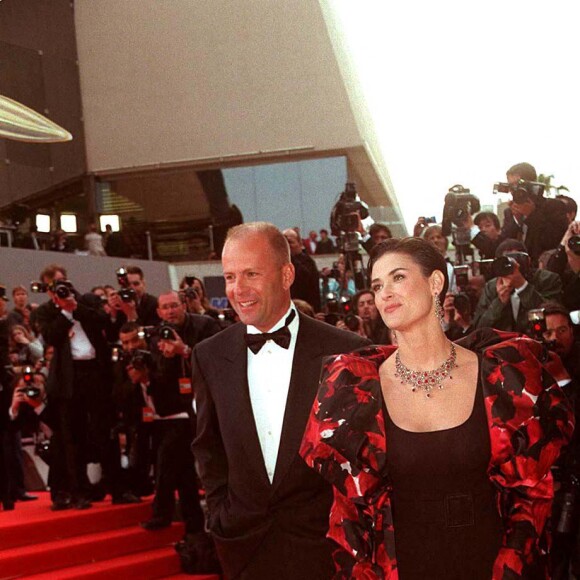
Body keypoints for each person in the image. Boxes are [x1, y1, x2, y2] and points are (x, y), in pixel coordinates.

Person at [300, 236, 574, 578]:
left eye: (398, 277)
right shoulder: (352, 392)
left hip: (489, 566)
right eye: (376, 284)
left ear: (435, 282)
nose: (384, 293)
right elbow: (349, 517)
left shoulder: (503, 377)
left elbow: (533, 496)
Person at [192, 222, 368, 580]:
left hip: (325, 544)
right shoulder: (209, 355)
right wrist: (220, 517)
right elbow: (208, 448)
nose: (238, 290)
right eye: (229, 277)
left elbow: (362, 452)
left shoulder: (345, 351)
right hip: (244, 543)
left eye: (251, 274)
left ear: (287, 274)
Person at [472, 239, 562, 334]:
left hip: (537, 340)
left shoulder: (547, 279)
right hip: (503, 344)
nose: (512, 266)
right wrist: (499, 302)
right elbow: (479, 329)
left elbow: (554, 316)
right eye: (505, 262)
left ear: (528, 260)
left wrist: (523, 286)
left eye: (517, 259)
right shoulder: (491, 287)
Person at [283, 227, 321, 312]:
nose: (287, 246)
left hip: (304, 309)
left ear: (300, 243)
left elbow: (305, 278)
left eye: (290, 242)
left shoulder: (308, 262)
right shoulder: (278, 263)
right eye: (284, 242)